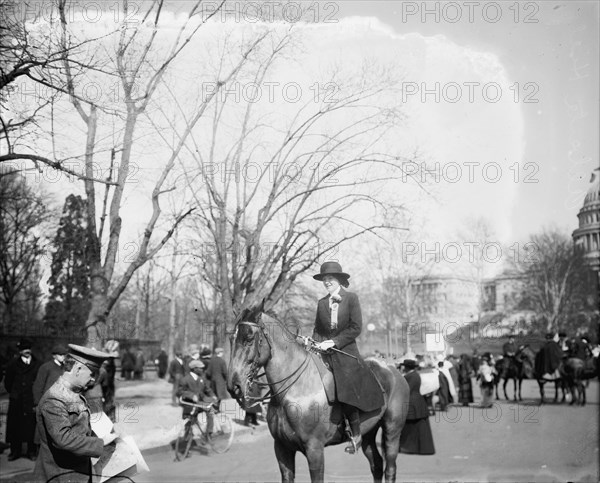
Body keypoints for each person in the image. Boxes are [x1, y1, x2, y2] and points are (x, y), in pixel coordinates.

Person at [308, 261, 384, 454]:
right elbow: (318, 329)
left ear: (339, 280)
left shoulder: (351, 299)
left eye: (330, 279)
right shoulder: (321, 303)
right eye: (324, 279)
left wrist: (334, 342)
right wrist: (315, 343)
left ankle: (355, 432)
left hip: (346, 352)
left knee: (345, 382)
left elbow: (356, 327)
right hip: (325, 353)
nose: (326, 282)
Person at [34, 344, 118, 483]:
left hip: (77, 471)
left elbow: (80, 429)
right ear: (78, 369)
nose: (93, 380)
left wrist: (105, 436)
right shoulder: (55, 398)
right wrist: (101, 443)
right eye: (92, 374)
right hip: (61, 474)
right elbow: (63, 439)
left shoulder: (73, 393)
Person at [4, 338, 40, 461]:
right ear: (19, 351)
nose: (27, 351)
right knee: (15, 426)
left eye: (28, 348)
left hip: (31, 399)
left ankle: (31, 451)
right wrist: (15, 392)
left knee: (31, 426)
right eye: (24, 349)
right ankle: (15, 451)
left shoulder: (37, 364)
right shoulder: (13, 364)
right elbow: (8, 383)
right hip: (17, 400)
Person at [398, 359, 435, 455]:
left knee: (410, 426)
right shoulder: (414, 375)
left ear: (406, 367)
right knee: (419, 427)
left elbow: (406, 389)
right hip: (417, 401)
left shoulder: (410, 376)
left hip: (412, 402)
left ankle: (409, 447)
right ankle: (420, 448)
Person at [177, 360, 217, 436]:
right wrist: (191, 395)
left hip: (200, 403)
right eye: (200, 368)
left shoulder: (201, 379)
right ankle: (188, 431)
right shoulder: (185, 379)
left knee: (211, 408)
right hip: (190, 404)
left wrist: (213, 395)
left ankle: (209, 432)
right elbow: (180, 391)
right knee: (194, 418)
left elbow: (207, 389)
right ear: (195, 369)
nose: (202, 369)